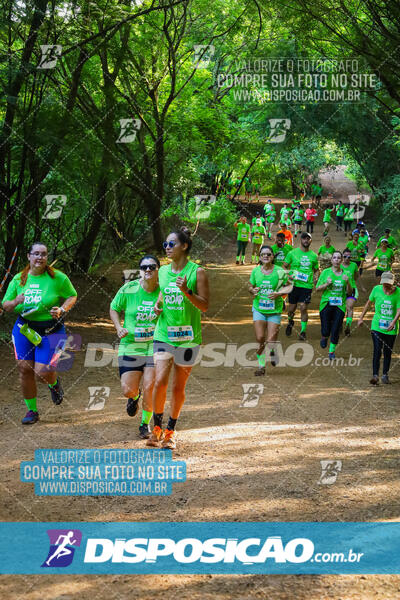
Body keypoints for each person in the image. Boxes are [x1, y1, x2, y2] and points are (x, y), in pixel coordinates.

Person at [1, 242, 77, 424]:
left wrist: (62, 309)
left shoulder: (58, 278)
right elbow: (6, 305)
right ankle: (32, 411)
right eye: (36, 254)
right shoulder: (19, 279)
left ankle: (53, 384)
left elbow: (72, 296)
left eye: (43, 254)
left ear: (47, 257)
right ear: (29, 256)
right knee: (25, 369)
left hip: (52, 330)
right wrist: (16, 301)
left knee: (43, 373)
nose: (39, 257)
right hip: (25, 329)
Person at [147, 228, 209, 449]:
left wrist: (187, 291)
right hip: (164, 333)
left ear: (184, 246)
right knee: (160, 380)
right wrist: (158, 305)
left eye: (171, 244)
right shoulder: (162, 271)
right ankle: (156, 429)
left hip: (188, 338)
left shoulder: (197, 272)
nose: (167, 248)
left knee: (177, 386)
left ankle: (171, 431)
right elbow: (163, 292)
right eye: (165, 244)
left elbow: (204, 305)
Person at [110, 255, 160, 439]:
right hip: (130, 345)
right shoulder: (129, 288)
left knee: (150, 386)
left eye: (152, 267)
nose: (148, 270)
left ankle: (144, 424)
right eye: (144, 267)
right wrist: (118, 327)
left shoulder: (163, 290)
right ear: (140, 270)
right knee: (127, 389)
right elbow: (114, 308)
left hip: (154, 346)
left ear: (158, 270)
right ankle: (134, 396)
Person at [249, 245, 293, 376]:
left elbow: (290, 286)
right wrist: (253, 290)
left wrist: (279, 293)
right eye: (263, 254)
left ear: (273, 256)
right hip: (259, 309)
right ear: (260, 257)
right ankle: (261, 366)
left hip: (274, 310)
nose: (266, 256)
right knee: (260, 337)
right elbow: (250, 286)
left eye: (268, 254)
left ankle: (273, 351)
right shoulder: (256, 271)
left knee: (271, 342)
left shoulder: (280, 271)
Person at [358, 272, 400, 385]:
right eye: (384, 283)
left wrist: (394, 321)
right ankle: (375, 375)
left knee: (387, 352)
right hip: (377, 325)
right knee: (377, 349)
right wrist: (361, 317)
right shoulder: (376, 289)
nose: (385, 285)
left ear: (393, 282)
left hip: (391, 328)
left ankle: (385, 374)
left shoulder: (398, 292)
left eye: (388, 284)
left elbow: (399, 309)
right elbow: (368, 303)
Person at [316, 251, 353, 359]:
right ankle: (324, 336)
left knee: (336, 328)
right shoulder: (325, 272)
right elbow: (317, 289)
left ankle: (331, 351)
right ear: (331, 260)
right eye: (334, 258)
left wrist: (348, 283)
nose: (336, 260)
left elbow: (350, 293)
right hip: (326, 303)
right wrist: (327, 284)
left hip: (339, 305)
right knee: (326, 329)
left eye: (338, 258)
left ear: (341, 260)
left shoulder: (346, 274)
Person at [283, 232, 319, 340]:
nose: (306, 240)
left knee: (303, 307)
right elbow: (284, 266)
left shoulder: (314, 256)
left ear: (311, 241)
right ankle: (290, 321)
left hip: (307, 286)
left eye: (308, 239)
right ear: (301, 240)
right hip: (294, 285)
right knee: (291, 308)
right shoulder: (292, 253)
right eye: (304, 238)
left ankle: (303, 331)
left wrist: (316, 277)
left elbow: (317, 270)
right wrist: (289, 275)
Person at [341, 249, 359, 336]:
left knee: (350, 307)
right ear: (342, 257)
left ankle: (348, 325)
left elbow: (356, 276)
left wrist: (352, 283)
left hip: (352, 289)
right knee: (340, 308)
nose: (347, 258)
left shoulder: (354, 265)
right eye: (345, 256)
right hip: (340, 290)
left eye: (349, 257)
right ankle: (339, 323)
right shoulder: (339, 266)